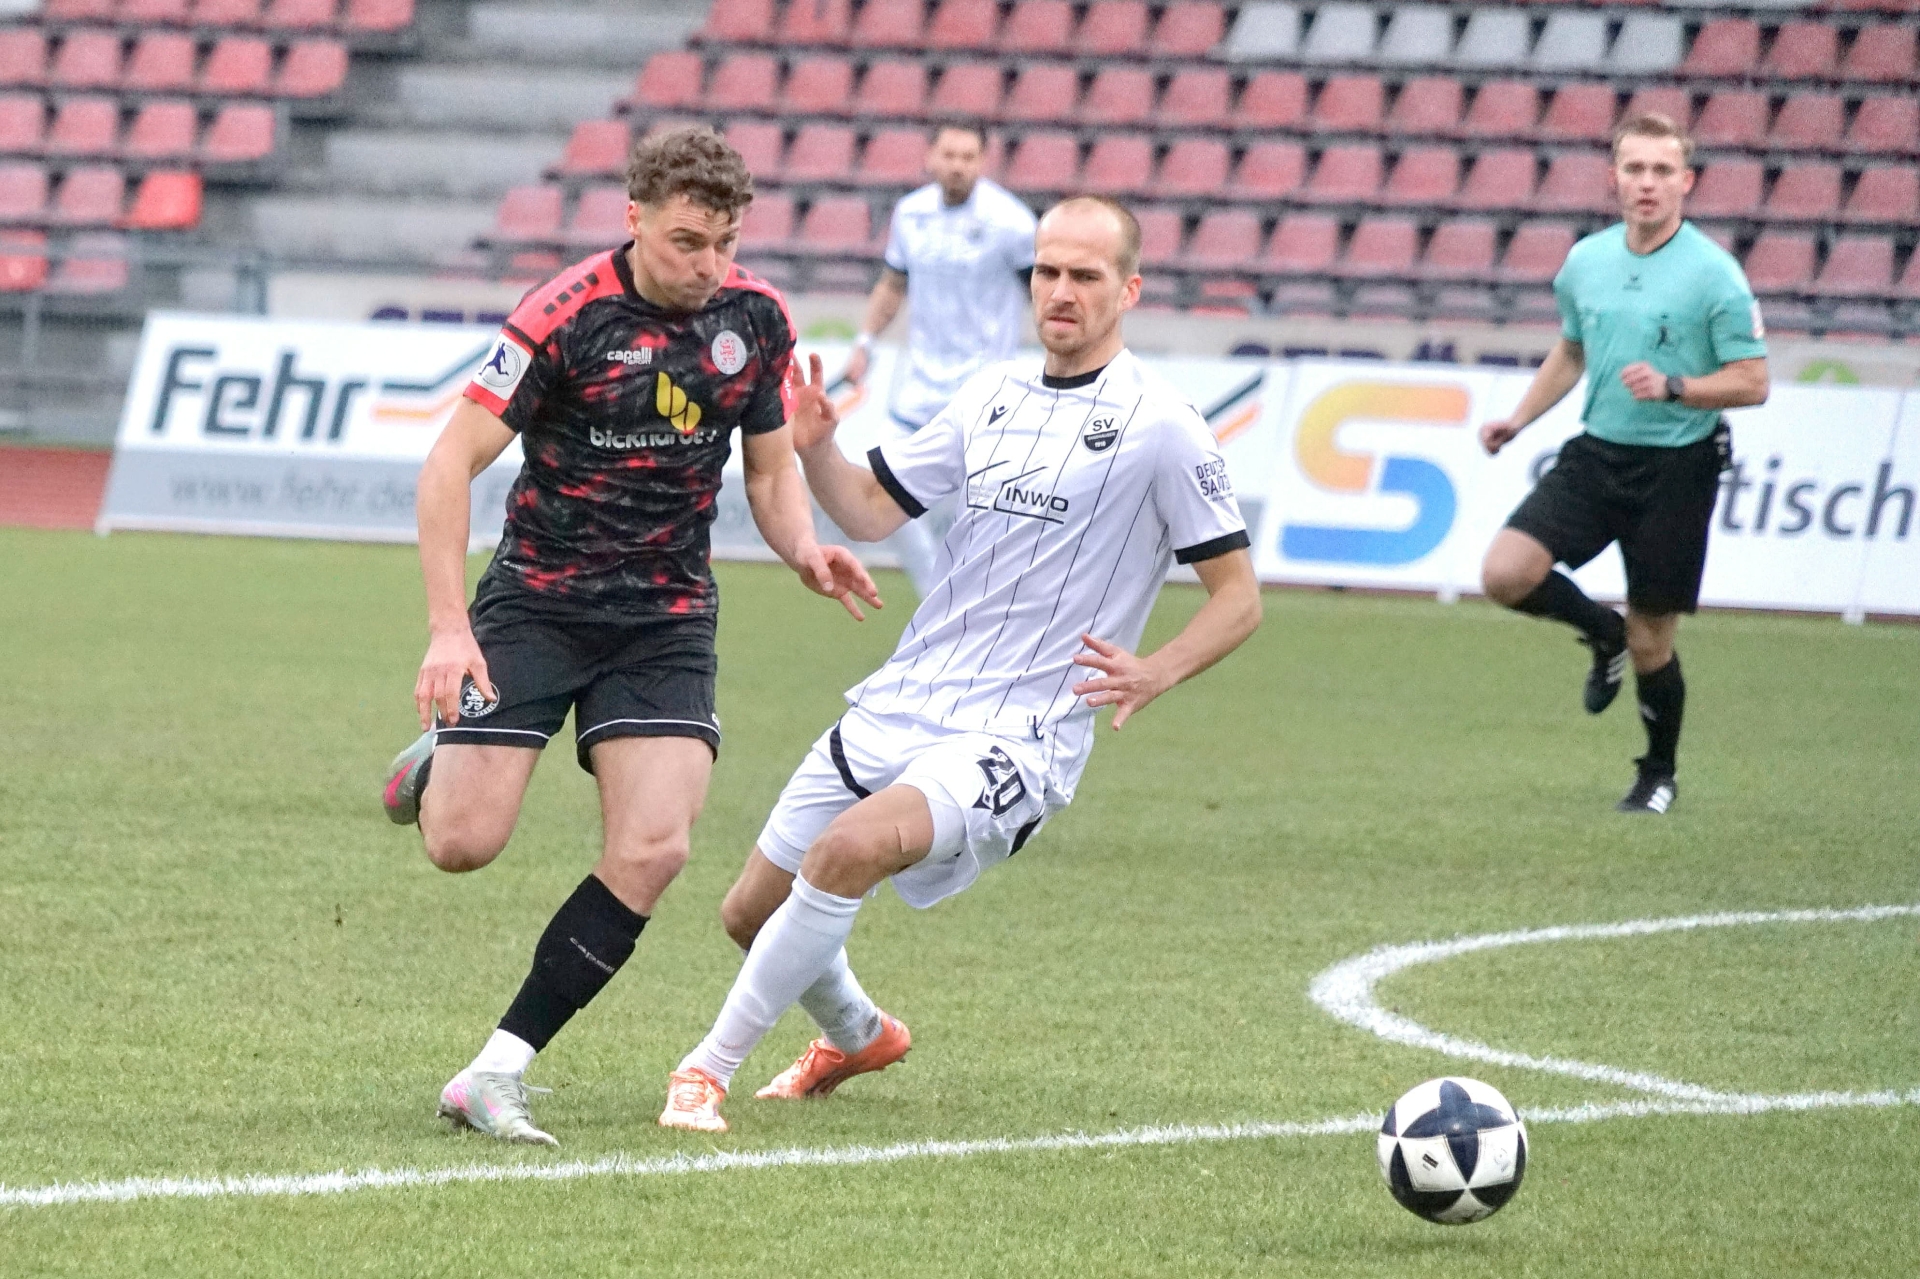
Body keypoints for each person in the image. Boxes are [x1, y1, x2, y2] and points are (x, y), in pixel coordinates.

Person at [656, 195, 1263, 1133]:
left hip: (1018, 731)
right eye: (1047, 272)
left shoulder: (1164, 425)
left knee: (846, 852)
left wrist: (1157, 669)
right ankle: (859, 1033)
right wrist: (819, 451)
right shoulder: (992, 394)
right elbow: (869, 510)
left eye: (1086, 275)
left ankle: (704, 1071)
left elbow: (1239, 596)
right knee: (748, 913)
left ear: (1130, 290)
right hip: (907, 693)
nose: (1061, 291)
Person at [380, 126, 880, 1145]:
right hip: (537, 603)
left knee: (655, 848)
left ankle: (495, 1069)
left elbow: (770, 468)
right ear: (635, 219)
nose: (709, 267)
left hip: (664, 617)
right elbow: (447, 464)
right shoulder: (563, 315)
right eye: (688, 242)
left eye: (725, 244)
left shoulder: (755, 319)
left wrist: (801, 546)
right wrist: (447, 628)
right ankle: (441, 763)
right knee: (462, 844)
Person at [1478, 113, 1769, 815]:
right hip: (1598, 452)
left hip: (1678, 467)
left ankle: (1657, 774)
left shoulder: (1715, 276)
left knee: (1653, 640)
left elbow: (1753, 381)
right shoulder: (1586, 261)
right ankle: (1599, 629)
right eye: (1635, 169)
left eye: (1662, 170)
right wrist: (1519, 419)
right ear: (1613, 178)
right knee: (1505, 573)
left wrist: (1676, 387)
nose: (1647, 183)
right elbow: (1572, 349)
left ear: (1687, 182)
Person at [839, 121, 1038, 598]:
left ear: (983, 161)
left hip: (986, 393)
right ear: (930, 157)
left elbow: (1043, 293)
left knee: (986, 517)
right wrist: (864, 342)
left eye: (968, 157)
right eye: (949, 155)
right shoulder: (911, 214)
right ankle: (936, 596)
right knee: (879, 486)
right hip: (920, 387)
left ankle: (988, 606)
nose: (958, 166)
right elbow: (893, 284)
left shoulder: (1012, 222)